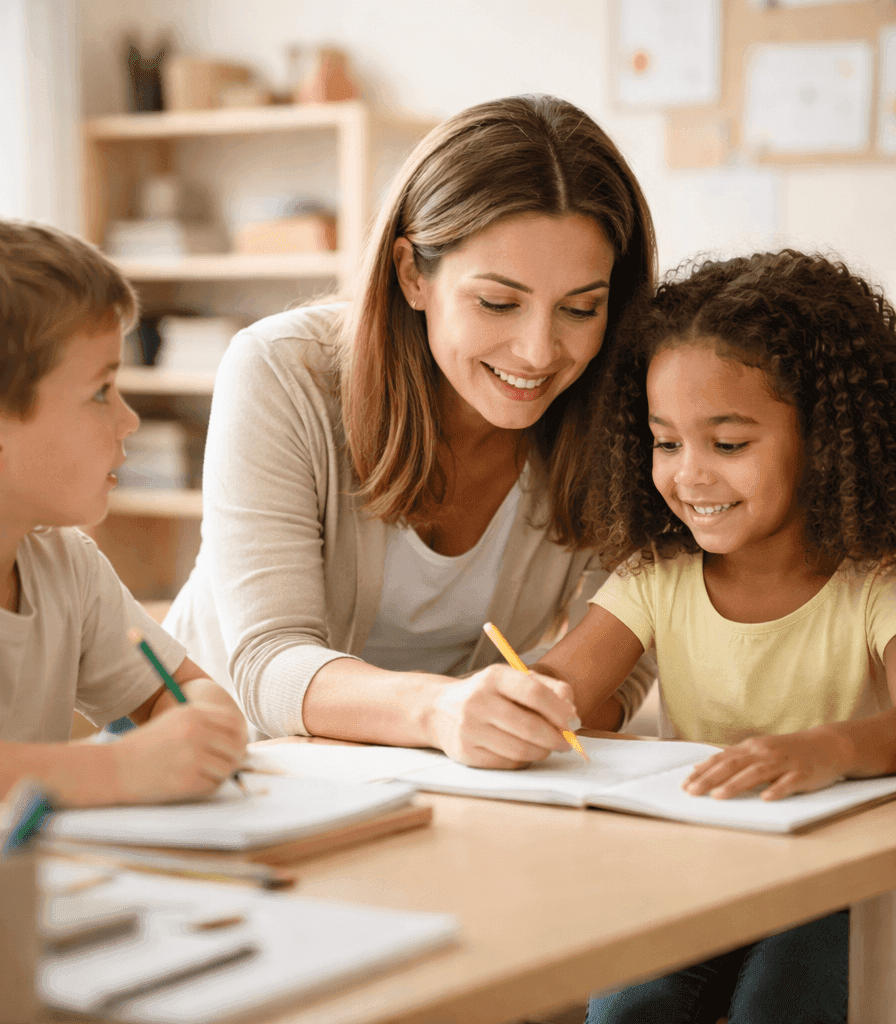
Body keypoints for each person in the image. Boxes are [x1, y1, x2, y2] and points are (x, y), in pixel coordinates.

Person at [163, 94, 659, 761]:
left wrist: (530, 708)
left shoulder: (616, 409)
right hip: (223, 765)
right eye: (498, 302)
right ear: (410, 274)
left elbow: (632, 635)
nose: (540, 352)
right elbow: (268, 663)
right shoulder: (281, 370)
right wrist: (439, 710)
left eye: (579, 308)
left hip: (438, 782)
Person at [529, 250, 896, 1023]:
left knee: (779, 1006)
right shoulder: (657, 575)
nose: (689, 475)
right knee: (629, 1006)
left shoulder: (875, 581)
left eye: (727, 445)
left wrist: (823, 751)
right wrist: (522, 702)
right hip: (701, 863)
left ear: (827, 441)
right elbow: (564, 687)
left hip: (840, 882)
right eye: (667, 442)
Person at [0, 208, 248, 806]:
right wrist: (121, 771)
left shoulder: (65, 564)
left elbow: (179, 693)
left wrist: (200, 724)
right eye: (101, 391)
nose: (128, 419)